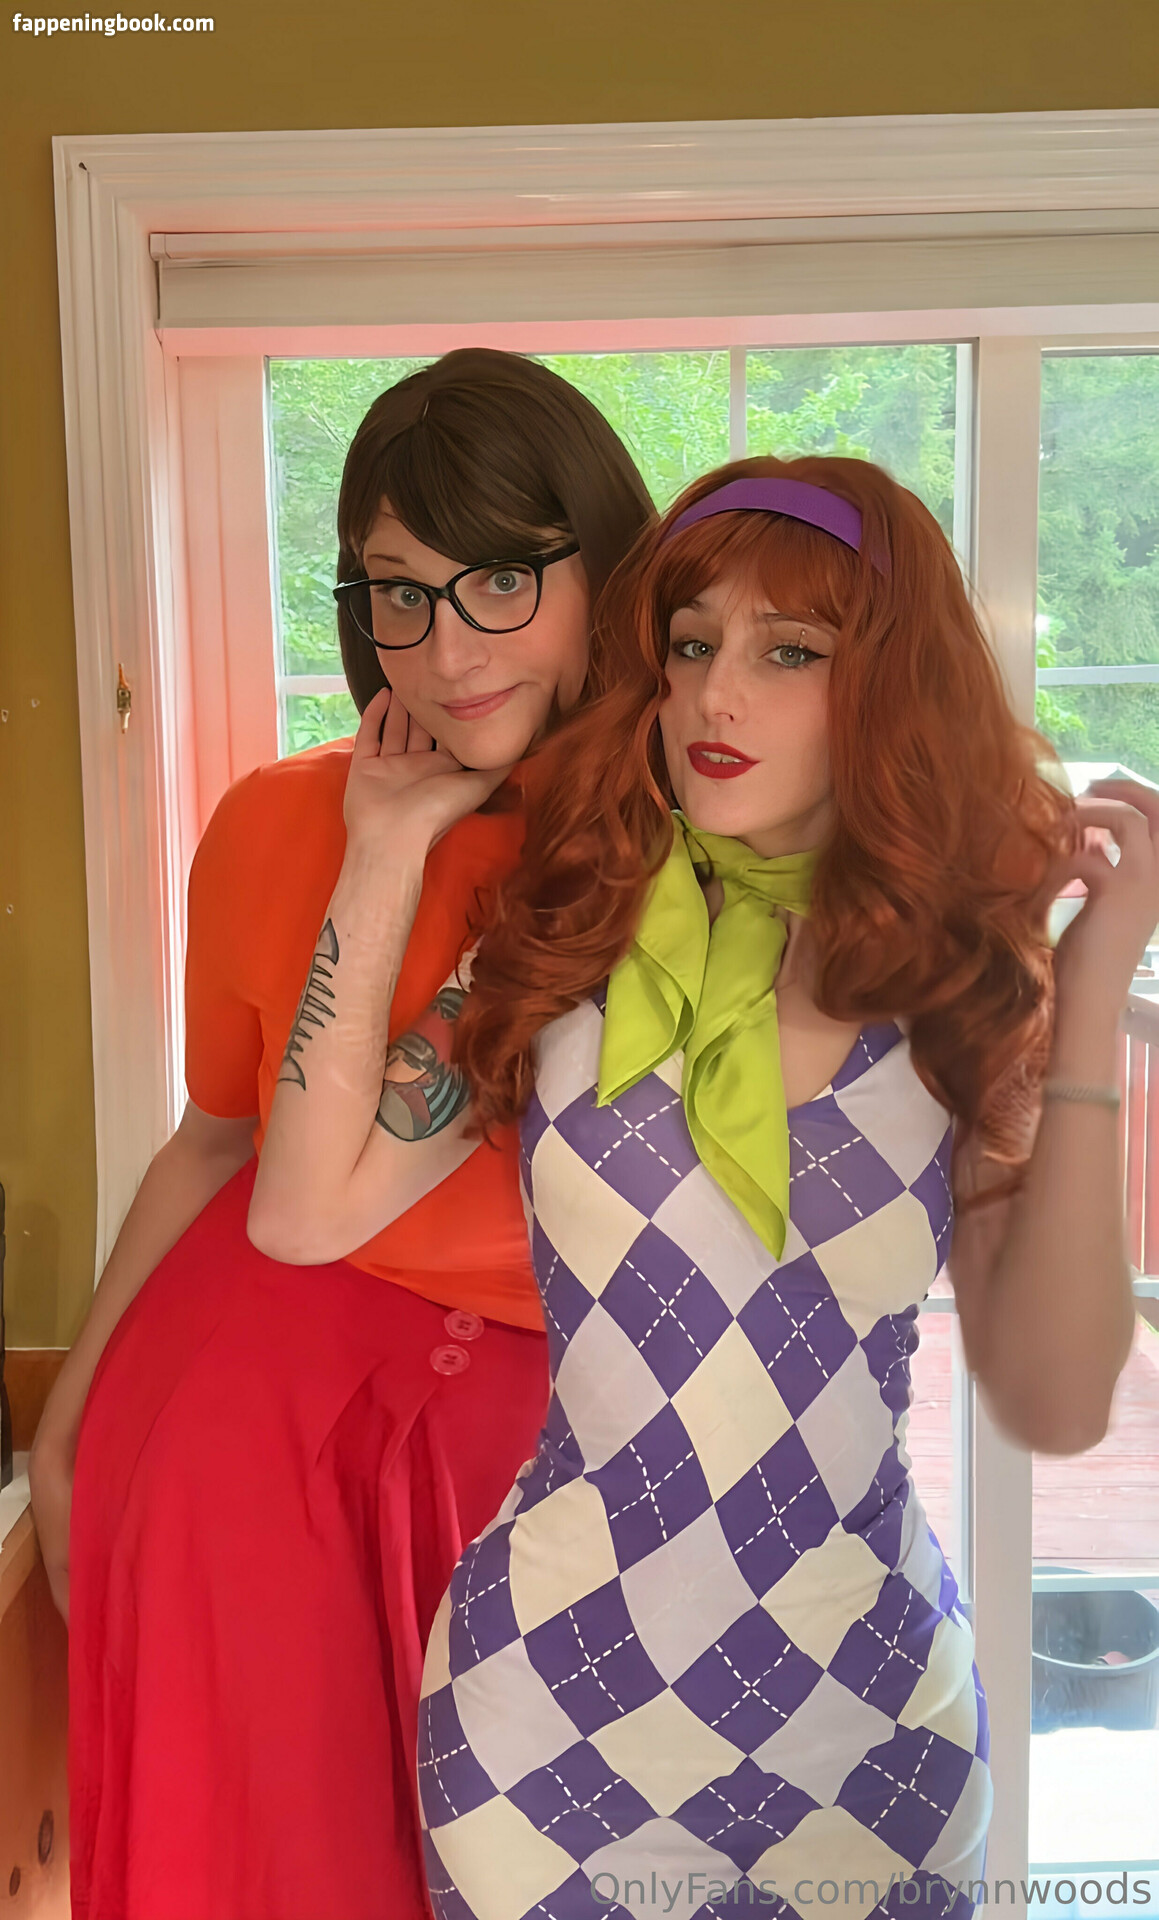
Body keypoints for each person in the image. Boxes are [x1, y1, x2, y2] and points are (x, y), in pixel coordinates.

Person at [254, 455, 1155, 1920]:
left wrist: (1095, 988)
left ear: (890, 686)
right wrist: (385, 845)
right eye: (690, 644)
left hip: (867, 1735)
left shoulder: (963, 992)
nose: (714, 695)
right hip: (545, 1729)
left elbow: (1054, 1403)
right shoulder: (567, 938)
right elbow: (299, 1213)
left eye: (790, 653)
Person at [28, 348, 653, 1920]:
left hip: (544, 1450)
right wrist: (69, 1420)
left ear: (602, 569)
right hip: (235, 1442)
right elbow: (214, 1147)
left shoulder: (673, 852)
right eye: (399, 592)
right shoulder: (273, 820)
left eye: (500, 580)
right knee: (258, 1865)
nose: (446, 651)